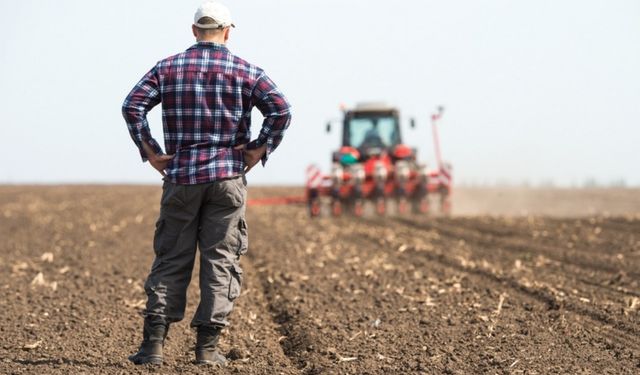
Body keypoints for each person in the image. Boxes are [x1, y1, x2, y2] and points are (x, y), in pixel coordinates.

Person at [121, 1, 291, 366]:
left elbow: (132, 105)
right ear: (228, 31)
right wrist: (259, 149)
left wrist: (151, 151)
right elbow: (281, 109)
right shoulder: (247, 71)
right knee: (221, 261)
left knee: (171, 258)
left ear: (194, 30)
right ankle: (208, 350)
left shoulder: (167, 68)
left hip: (181, 177)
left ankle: (153, 347)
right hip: (227, 178)